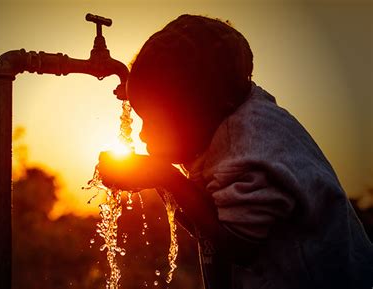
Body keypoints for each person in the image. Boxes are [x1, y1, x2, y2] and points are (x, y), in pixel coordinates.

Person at [97, 14, 373, 289]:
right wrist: (160, 177)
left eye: (156, 120)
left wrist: (168, 179)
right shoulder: (233, 111)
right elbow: (205, 224)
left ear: (204, 109)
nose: (144, 133)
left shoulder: (246, 150)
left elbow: (240, 248)